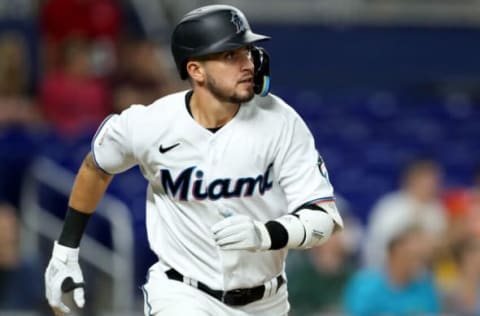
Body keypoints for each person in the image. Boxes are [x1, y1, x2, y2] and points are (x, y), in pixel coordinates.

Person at [44, 5, 343, 316]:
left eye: (247, 51)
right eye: (229, 56)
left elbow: (325, 219)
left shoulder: (281, 122)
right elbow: (96, 168)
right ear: (195, 70)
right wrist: (65, 251)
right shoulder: (150, 124)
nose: (247, 64)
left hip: (267, 302)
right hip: (182, 294)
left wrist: (265, 234)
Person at [362, 158, 447, 268]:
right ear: (412, 179)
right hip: (387, 272)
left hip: (427, 275)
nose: (432, 184)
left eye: (435, 179)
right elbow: (378, 245)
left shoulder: (437, 210)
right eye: (427, 179)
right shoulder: (390, 206)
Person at [344, 223, 440, 316]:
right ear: (396, 248)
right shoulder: (364, 285)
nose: (423, 250)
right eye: (418, 242)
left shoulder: (426, 289)